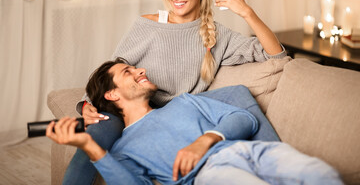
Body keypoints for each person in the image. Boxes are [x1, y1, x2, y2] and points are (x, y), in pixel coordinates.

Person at [66, 0, 287, 184]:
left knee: (238, 94)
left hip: (179, 114)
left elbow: (277, 56)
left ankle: (278, 163)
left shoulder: (217, 34)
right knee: (92, 142)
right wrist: (86, 104)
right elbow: (113, 69)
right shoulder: (149, 24)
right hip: (131, 109)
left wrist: (246, 12)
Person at [47, 58, 343, 185]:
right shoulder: (124, 148)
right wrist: (90, 146)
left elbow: (243, 118)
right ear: (111, 94)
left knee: (321, 174)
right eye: (128, 72)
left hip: (251, 151)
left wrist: (205, 140)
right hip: (210, 175)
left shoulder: (185, 102)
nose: (141, 70)